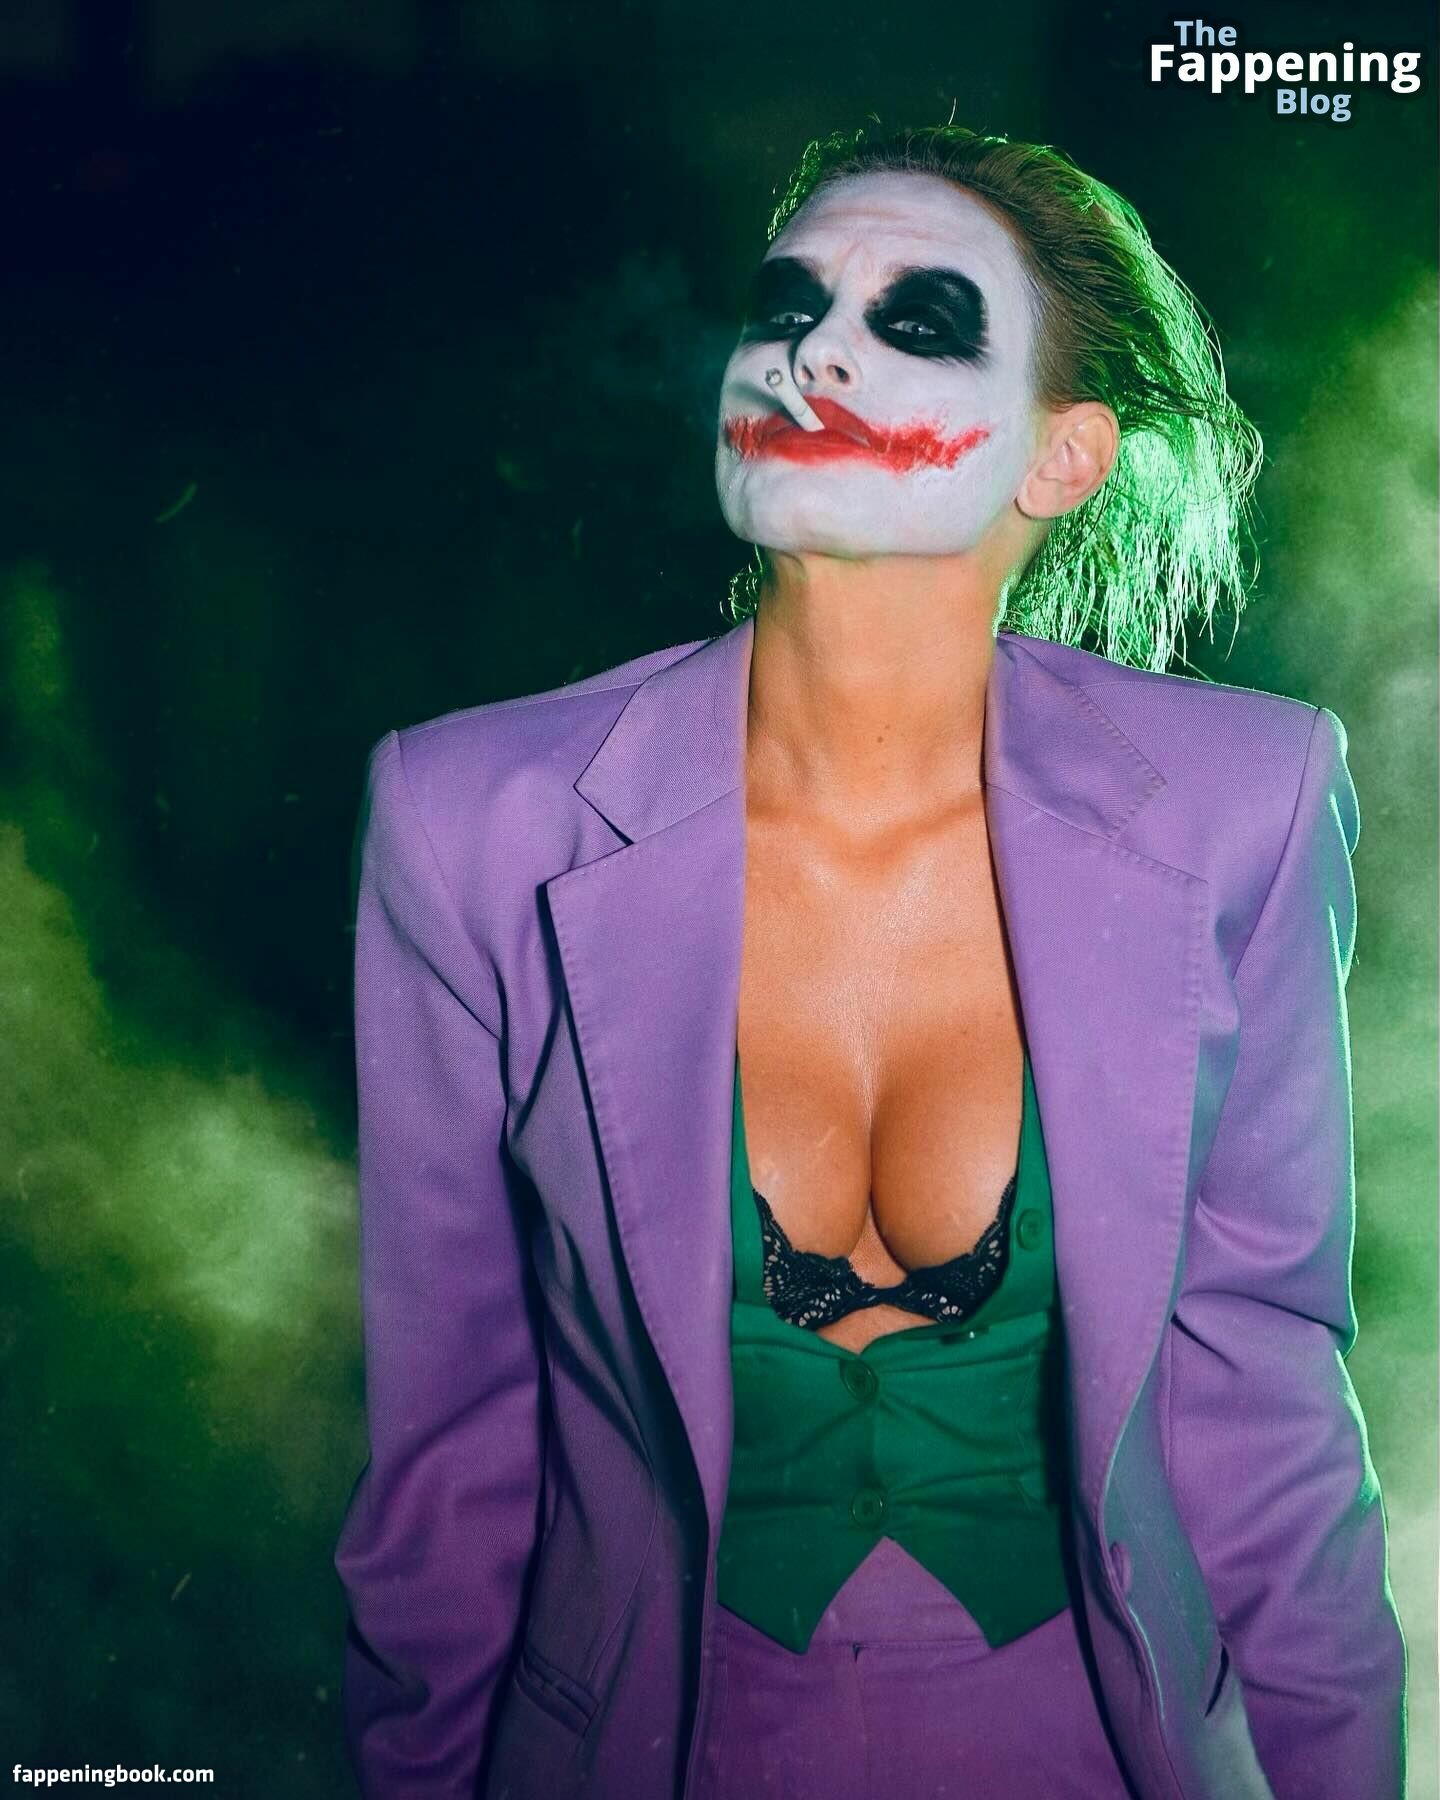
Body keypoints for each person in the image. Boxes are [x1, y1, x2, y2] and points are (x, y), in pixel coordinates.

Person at [333, 123, 1407, 1799]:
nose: (809, 352)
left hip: (1098, 1750)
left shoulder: (1242, 804)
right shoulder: (469, 816)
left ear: (1063, 457)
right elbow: (447, 1446)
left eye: (918, 323)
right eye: (787, 307)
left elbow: (1265, 1406)